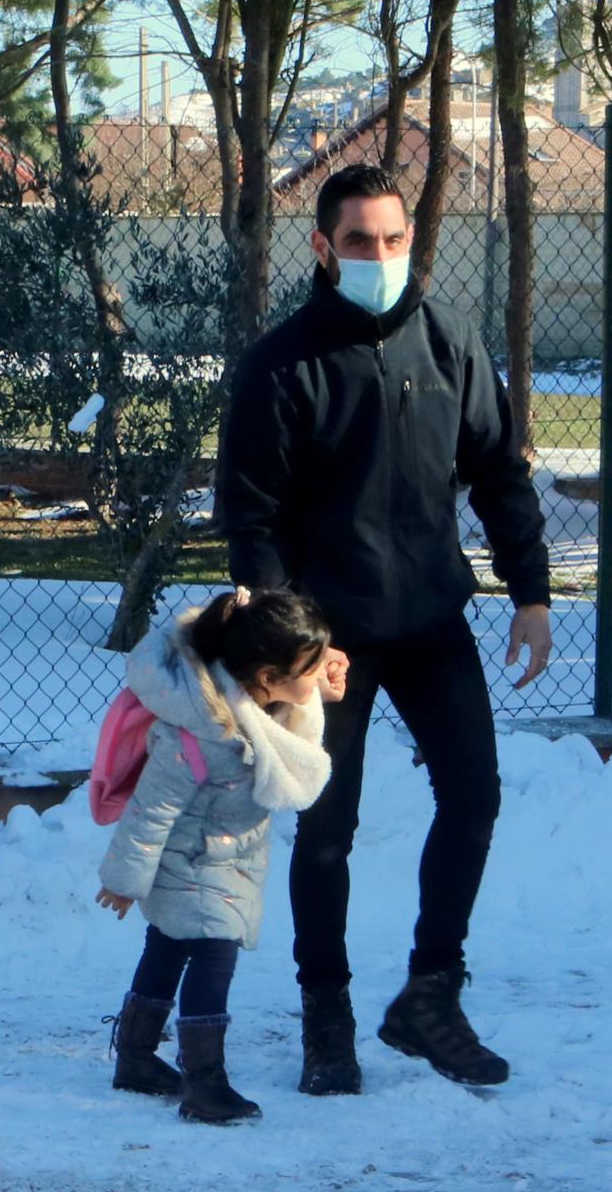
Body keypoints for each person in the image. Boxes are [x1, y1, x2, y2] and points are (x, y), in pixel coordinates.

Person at [217, 163, 555, 1095]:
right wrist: (293, 646)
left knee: (474, 797)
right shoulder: (281, 365)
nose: (380, 256)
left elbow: (498, 472)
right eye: (360, 241)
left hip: (432, 620)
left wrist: (531, 590)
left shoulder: (450, 341)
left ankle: (430, 996)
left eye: (395, 239)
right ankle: (326, 1016)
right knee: (326, 831)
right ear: (322, 248)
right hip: (329, 643)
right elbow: (251, 518)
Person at [96, 588, 345, 1126]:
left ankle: (136, 1058)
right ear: (266, 679)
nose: (319, 673)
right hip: (192, 862)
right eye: (310, 668)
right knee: (213, 955)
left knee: (165, 947)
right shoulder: (203, 732)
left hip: (224, 861)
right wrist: (124, 879)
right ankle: (205, 1082)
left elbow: (286, 712)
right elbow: (150, 811)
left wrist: (319, 683)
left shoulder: (256, 705)